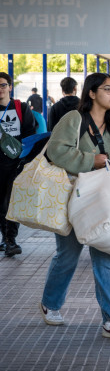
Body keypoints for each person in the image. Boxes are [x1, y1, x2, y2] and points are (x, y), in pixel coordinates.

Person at [39, 73, 110, 340]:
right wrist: (90, 159)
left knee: (104, 256)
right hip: (72, 198)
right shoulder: (74, 119)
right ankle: (50, 303)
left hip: (101, 200)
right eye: (107, 89)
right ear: (92, 93)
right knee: (68, 255)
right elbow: (56, 151)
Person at [0, 72, 37, 257]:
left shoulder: (20, 107)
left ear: (10, 87)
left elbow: (31, 132)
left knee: (10, 202)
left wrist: (26, 160)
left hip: (16, 163)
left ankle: (10, 240)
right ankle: (5, 238)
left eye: (3, 85)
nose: (0, 89)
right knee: (1, 203)